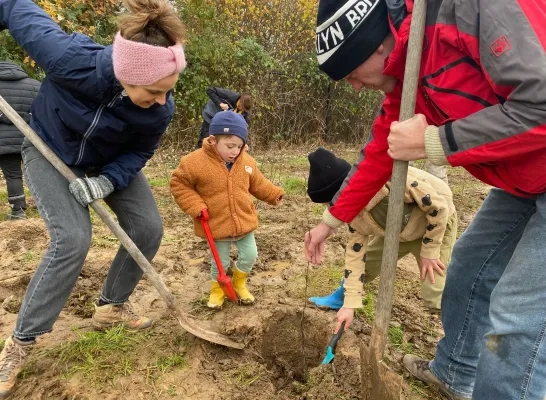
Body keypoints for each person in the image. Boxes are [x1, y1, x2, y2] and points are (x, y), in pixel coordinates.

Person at [305, 1, 546, 399]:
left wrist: (435, 142)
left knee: (516, 318)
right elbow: (381, 150)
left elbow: (539, 106)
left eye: (351, 73)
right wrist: (330, 221)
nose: (355, 86)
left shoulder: (476, 10)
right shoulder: (407, 74)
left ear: (375, 45)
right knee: (470, 268)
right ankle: (453, 373)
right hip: (526, 178)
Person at [0, 0, 186, 396]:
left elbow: (139, 152)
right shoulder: (69, 59)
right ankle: (20, 342)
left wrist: (107, 181)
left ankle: (112, 305)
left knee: (148, 228)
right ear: (126, 74)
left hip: (109, 162)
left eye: (166, 92)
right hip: (49, 148)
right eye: (154, 92)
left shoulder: (159, 109)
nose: (161, 101)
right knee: (72, 239)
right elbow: (13, 5)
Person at [306, 148, 457, 330]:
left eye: (331, 203)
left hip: (432, 228)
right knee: (368, 263)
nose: (333, 210)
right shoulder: (351, 214)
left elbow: (439, 208)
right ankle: (342, 298)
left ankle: (459, 337)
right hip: (394, 232)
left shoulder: (391, 182)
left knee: (435, 292)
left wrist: (430, 251)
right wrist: (350, 304)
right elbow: (356, 256)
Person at [171, 111, 284, 309]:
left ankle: (239, 283)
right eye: (230, 146)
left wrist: (273, 194)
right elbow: (179, 184)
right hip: (215, 223)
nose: (235, 151)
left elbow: (258, 184)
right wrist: (196, 206)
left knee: (250, 255)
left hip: (243, 221)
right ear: (213, 140)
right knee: (220, 262)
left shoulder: (247, 162)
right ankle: (218, 290)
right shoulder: (193, 163)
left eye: (239, 146)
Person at [0, 60, 40, 220]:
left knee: (13, 175)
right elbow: (42, 111)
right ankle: (41, 204)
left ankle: (18, 211)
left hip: (4, 141)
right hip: (31, 138)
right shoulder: (34, 85)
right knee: (35, 173)